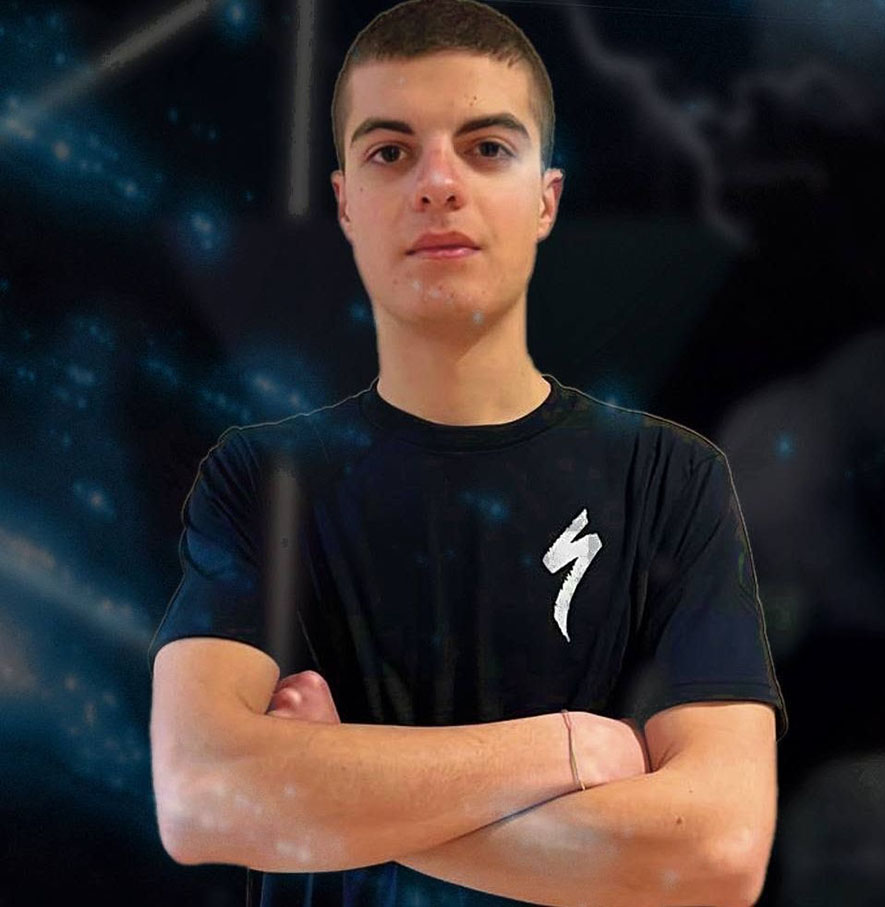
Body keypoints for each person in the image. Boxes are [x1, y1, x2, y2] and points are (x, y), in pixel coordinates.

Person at [147, 1, 788, 904]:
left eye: (486, 147)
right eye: (389, 151)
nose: (437, 183)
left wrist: (332, 785)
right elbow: (201, 800)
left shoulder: (670, 479)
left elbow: (719, 851)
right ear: (344, 202)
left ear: (546, 199)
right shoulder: (260, 480)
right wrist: (569, 749)